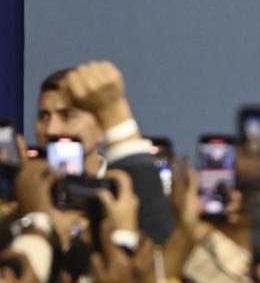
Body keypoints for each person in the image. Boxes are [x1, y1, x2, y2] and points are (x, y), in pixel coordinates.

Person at [34, 60, 174, 242]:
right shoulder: (28, 196)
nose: (51, 129)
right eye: (44, 117)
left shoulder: (131, 190)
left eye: (68, 115)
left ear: (101, 125)